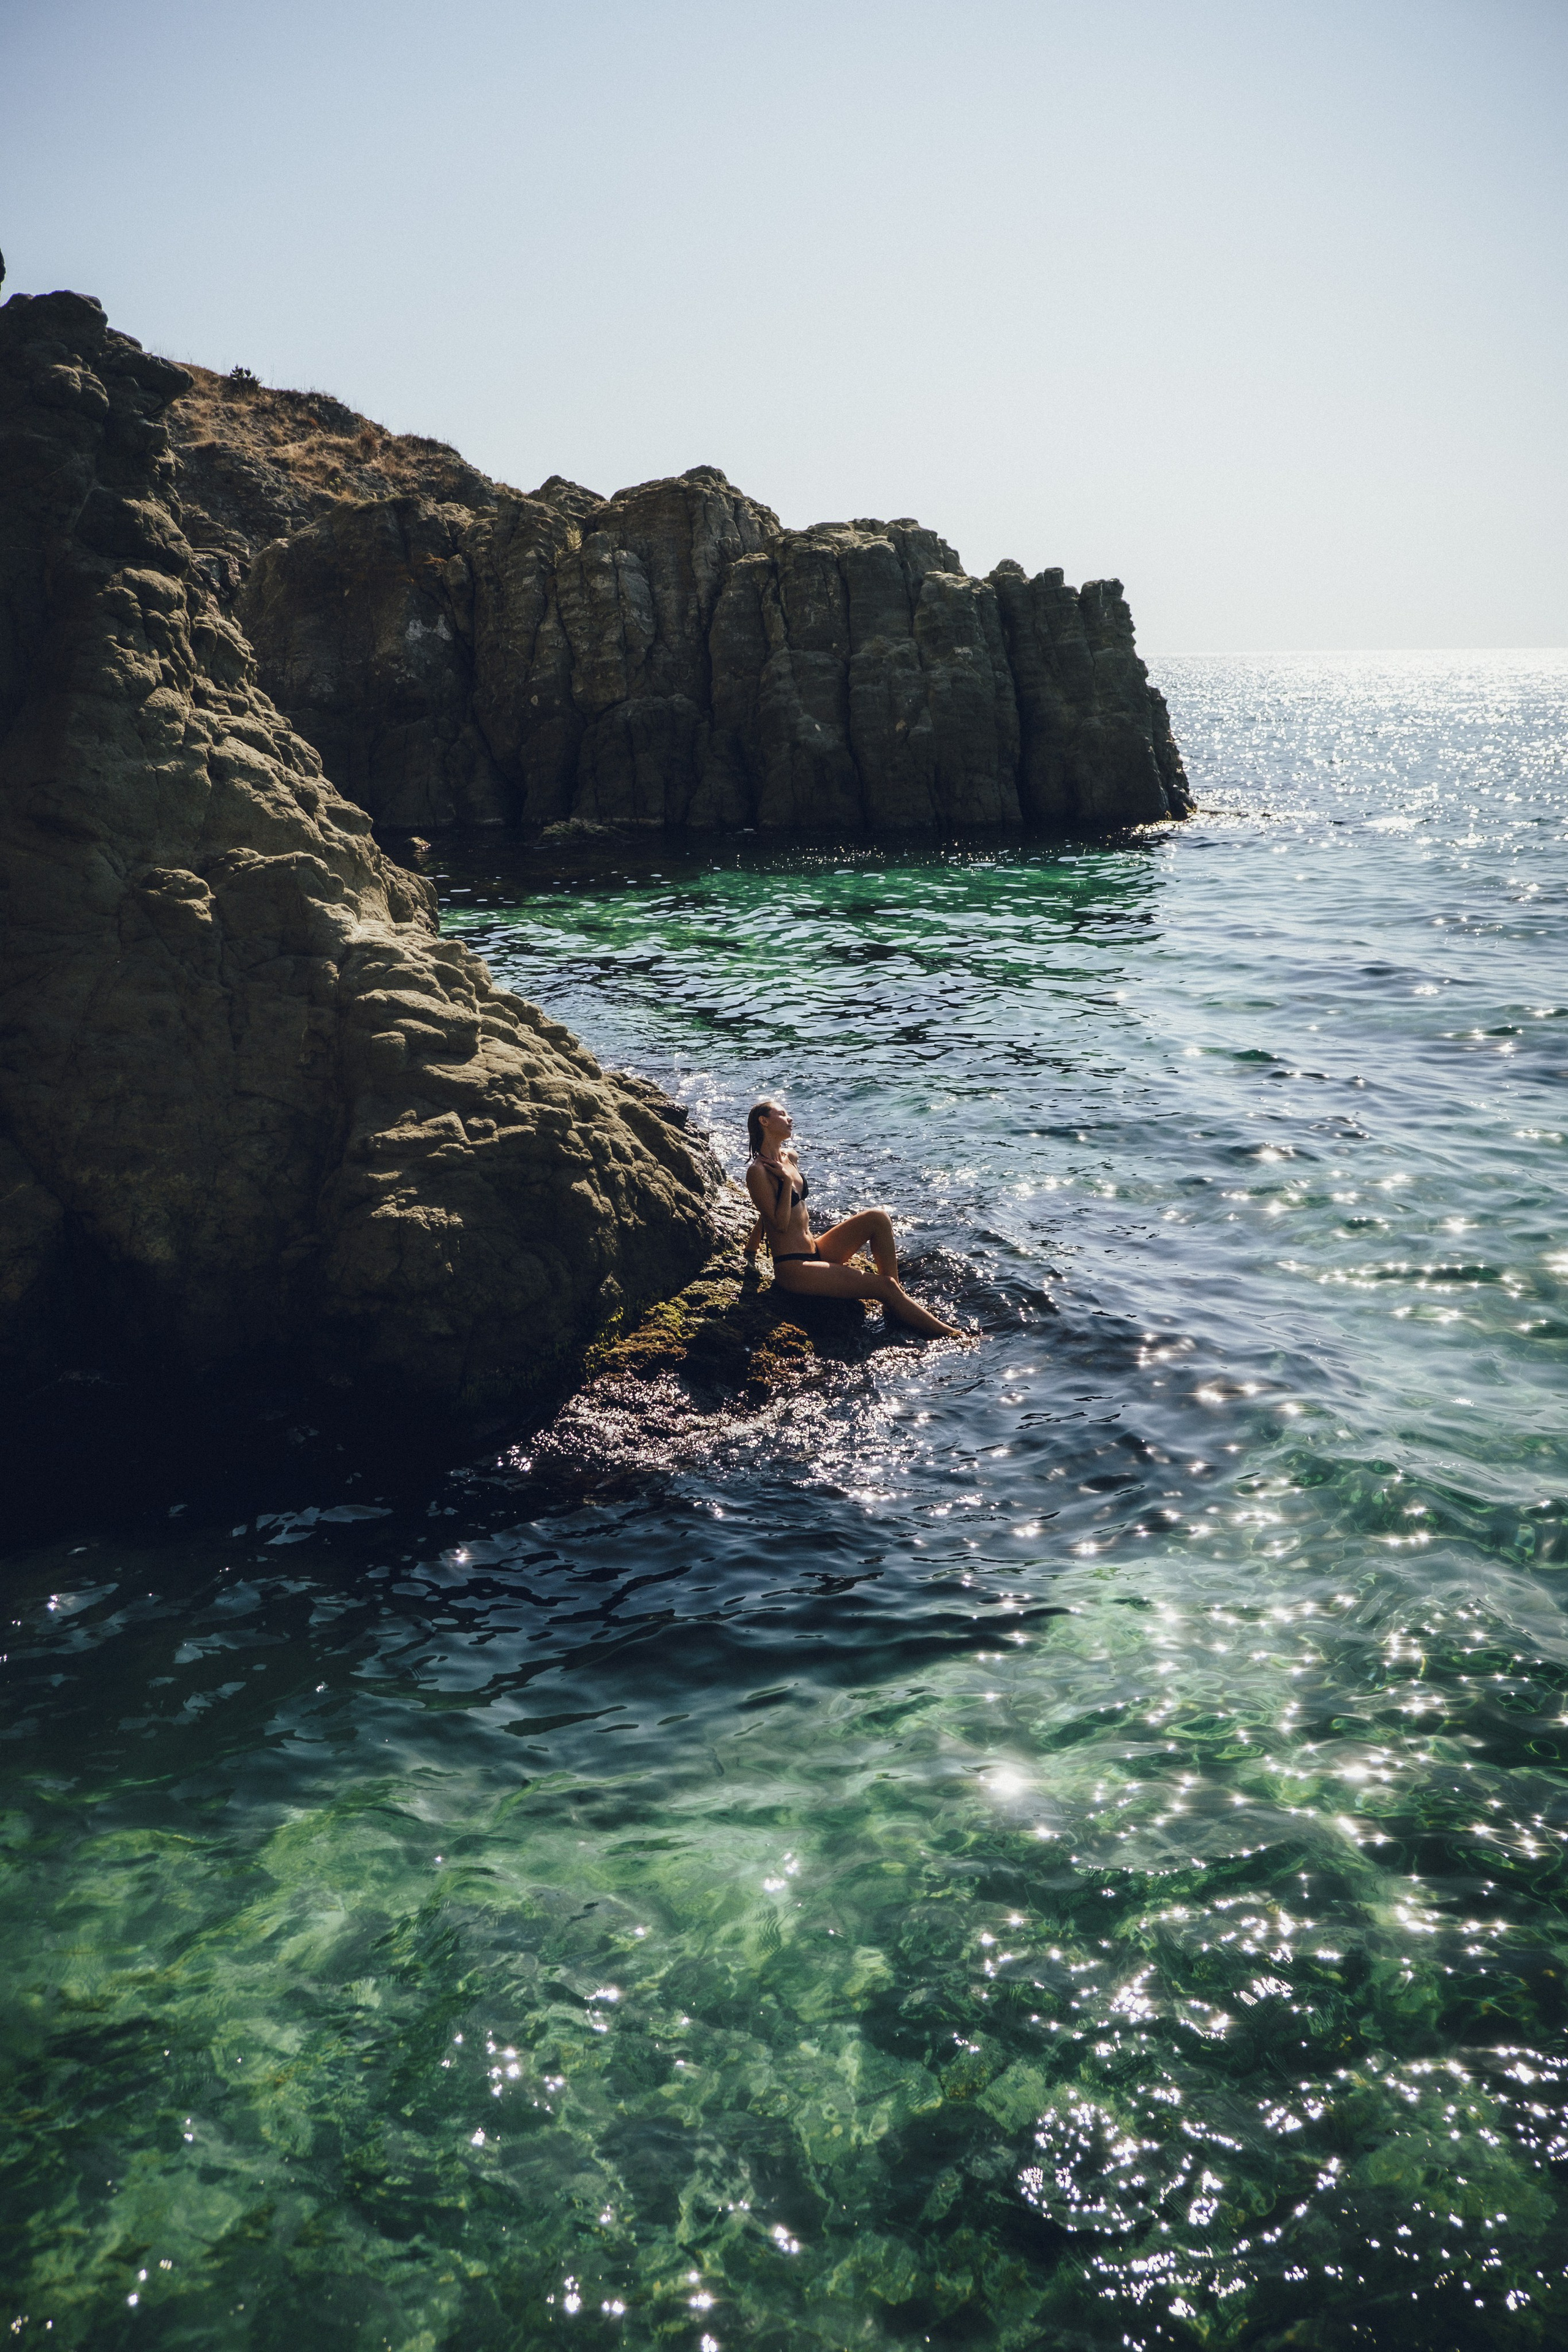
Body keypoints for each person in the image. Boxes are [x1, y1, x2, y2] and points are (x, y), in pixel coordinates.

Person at [742, 1099, 964, 1340]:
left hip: (815, 1250)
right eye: (782, 1114)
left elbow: (765, 1213)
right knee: (884, 1286)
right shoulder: (758, 1172)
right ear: (764, 1122)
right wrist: (785, 1182)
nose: (790, 1119)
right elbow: (779, 1223)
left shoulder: (789, 1157)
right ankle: (953, 1335)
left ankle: (894, 1304)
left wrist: (751, 1249)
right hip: (794, 1269)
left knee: (878, 1218)